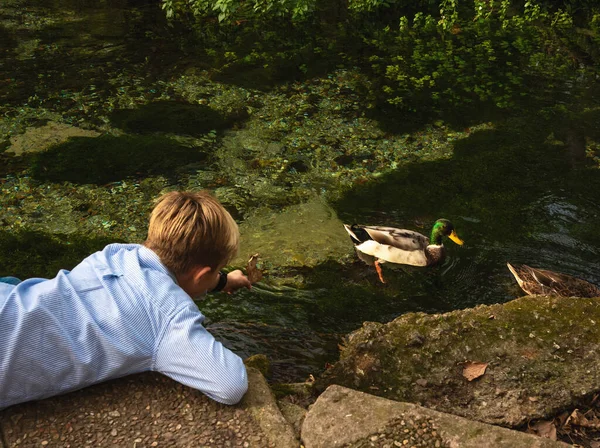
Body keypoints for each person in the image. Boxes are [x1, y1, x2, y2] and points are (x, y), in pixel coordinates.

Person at [0, 190, 252, 410]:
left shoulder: (114, 254)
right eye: (216, 272)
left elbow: (182, 274)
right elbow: (230, 385)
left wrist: (220, 281)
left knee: (17, 284)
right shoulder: (169, 318)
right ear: (202, 273)